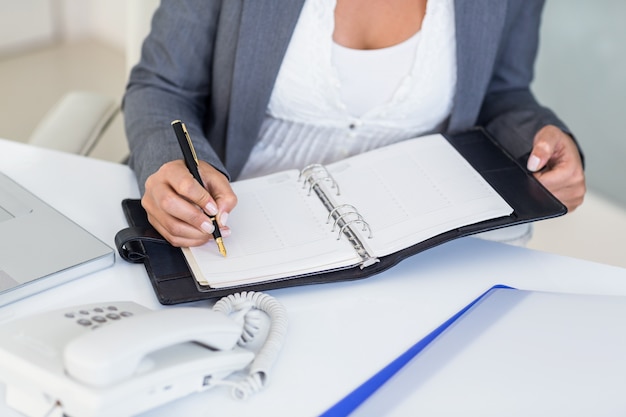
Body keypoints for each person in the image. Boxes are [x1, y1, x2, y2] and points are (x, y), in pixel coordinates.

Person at [123, 0, 586, 248]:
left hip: (416, 245)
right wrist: (174, 167)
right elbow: (163, 86)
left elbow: (503, 93)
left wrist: (542, 139)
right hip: (243, 234)